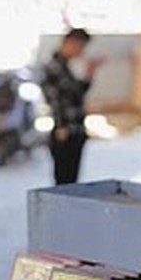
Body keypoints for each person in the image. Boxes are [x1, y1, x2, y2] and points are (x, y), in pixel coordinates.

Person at [42, 27, 102, 185]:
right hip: (66, 131)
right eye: (81, 46)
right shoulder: (54, 67)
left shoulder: (64, 67)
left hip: (74, 129)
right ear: (71, 43)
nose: (81, 51)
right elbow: (57, 102)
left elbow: (77, 95)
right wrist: (62, 128)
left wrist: (90, 73)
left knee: (71, 180)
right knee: (64, 180)